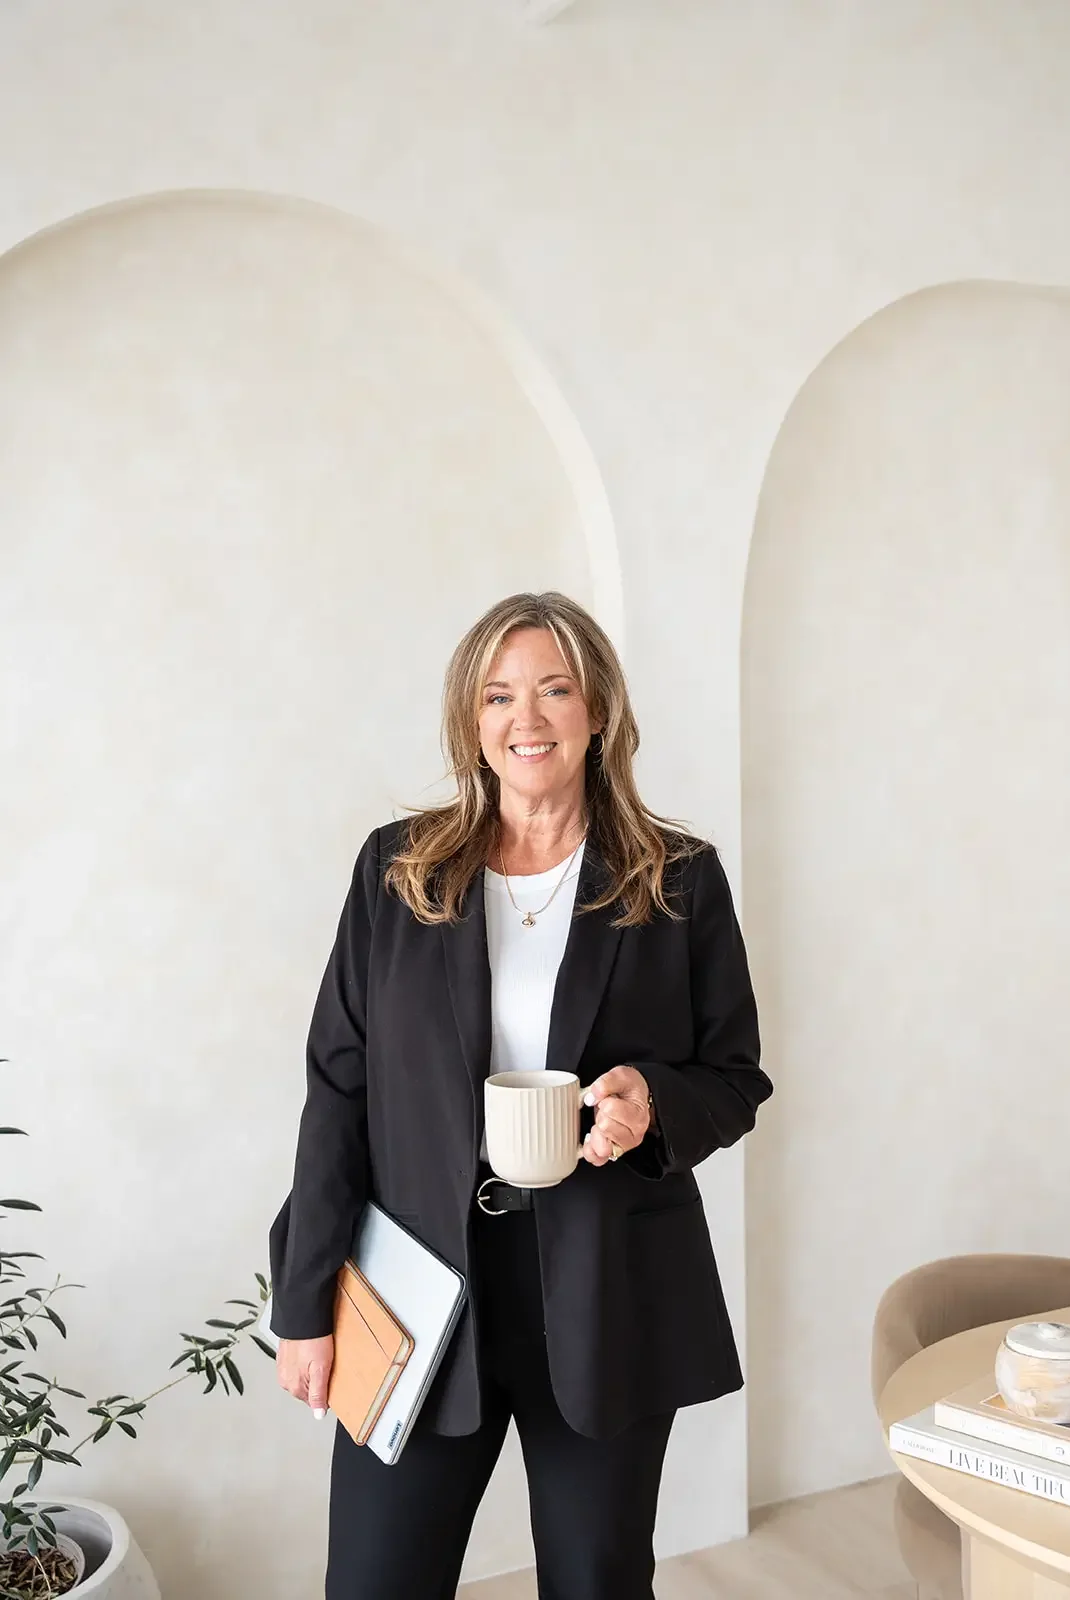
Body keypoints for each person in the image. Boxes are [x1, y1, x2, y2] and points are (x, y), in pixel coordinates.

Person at [268, 590, 772, 1600]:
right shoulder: (397, 872)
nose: (526, 718)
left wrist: (652, 1103)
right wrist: (304, 1300)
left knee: (597, 1580)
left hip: (605, 1289)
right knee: (372, 1581)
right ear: (472, 719)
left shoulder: (678, 880)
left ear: (599, 712)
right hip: (414, 1289)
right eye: (499, 695)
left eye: (554, 689)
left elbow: (735, 1074)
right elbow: (338, 1088)